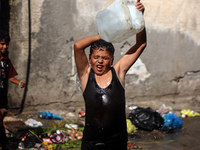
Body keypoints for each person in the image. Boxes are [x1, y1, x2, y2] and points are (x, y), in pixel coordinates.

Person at [74, 0, 146, 149]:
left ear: (112, 60)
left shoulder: (118, 72)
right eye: (96, 57)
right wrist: (102, 34)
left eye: (105, 58)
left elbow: (141, 44)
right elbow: (77, 46)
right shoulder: (85, 75)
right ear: (90, 59)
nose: (100, 62)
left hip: (117, 142)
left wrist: (138, 17)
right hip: (91, 143)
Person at [0, 30, 26, 150]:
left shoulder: (6, 61)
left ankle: (4, 144)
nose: (5, 47)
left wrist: (19, 82)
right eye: (2, 44)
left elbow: (10, 76)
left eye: (6, 44)